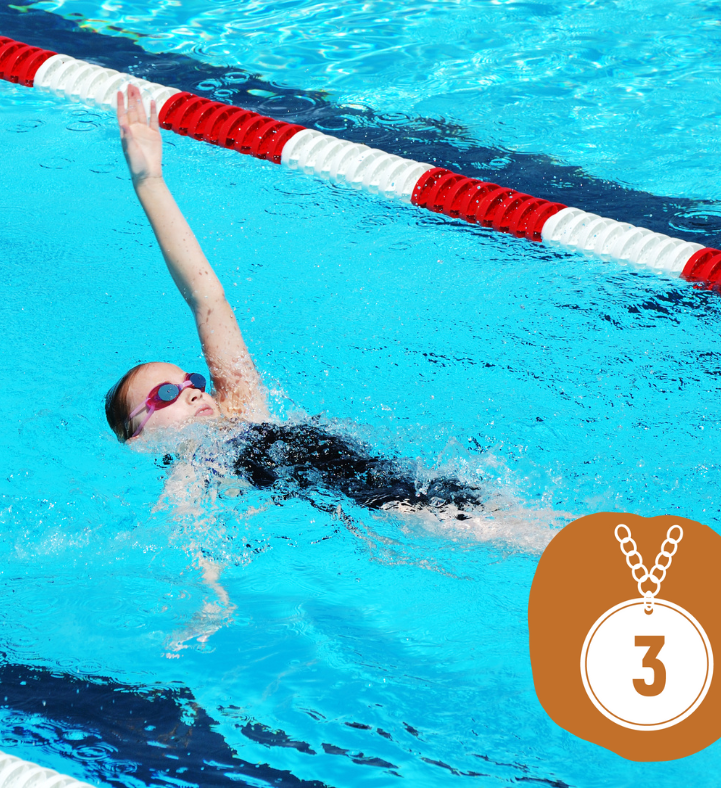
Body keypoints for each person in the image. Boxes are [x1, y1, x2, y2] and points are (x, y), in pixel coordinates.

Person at [105, 84, 483, 518]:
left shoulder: (241, 410)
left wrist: (150, 180)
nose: (191, 392)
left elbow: (207, 297)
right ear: (139, 440)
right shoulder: (193, 468)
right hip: (394, 509)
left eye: (192, 382)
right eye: (166, 394)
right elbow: (186, 537)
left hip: (409, 482)